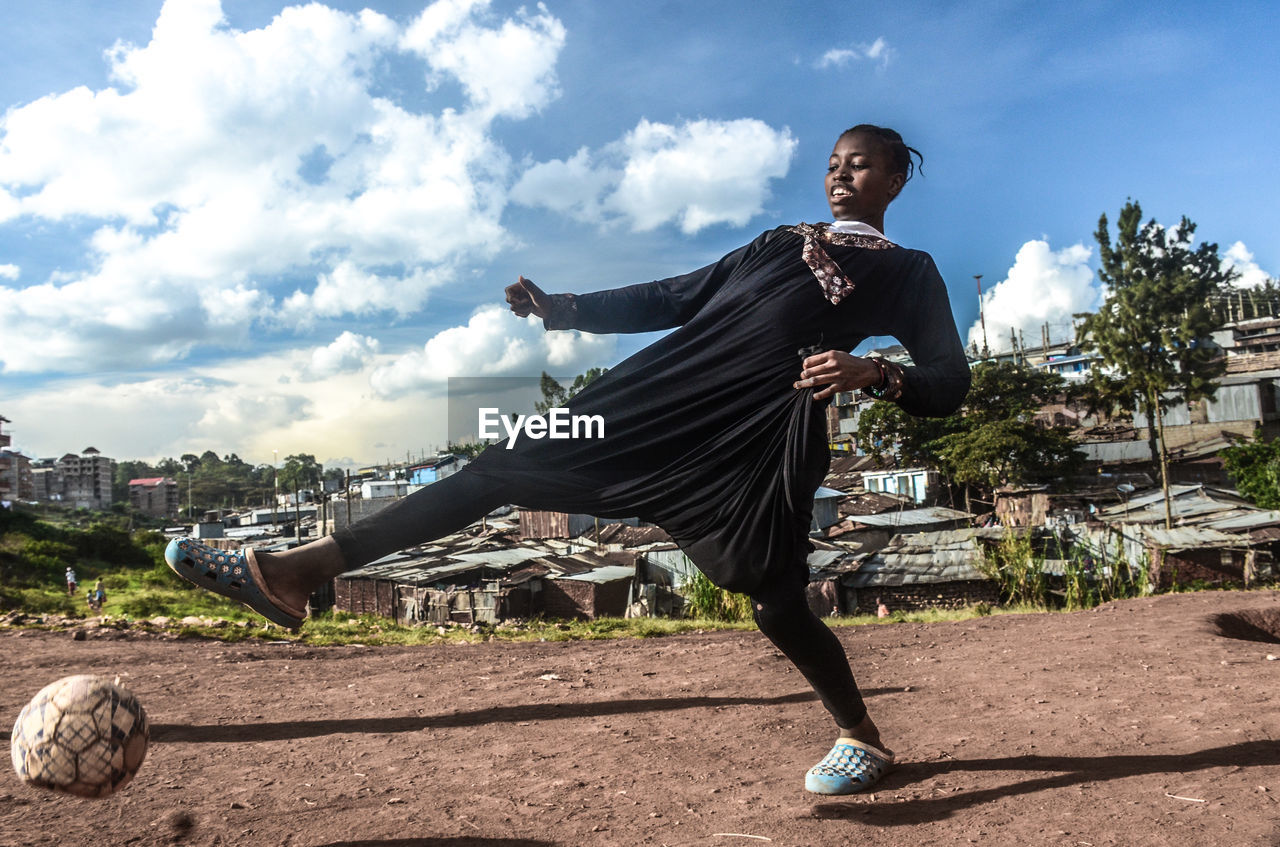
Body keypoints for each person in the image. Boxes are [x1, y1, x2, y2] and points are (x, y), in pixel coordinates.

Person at [166, 124, 971, 795]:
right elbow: (673, 296)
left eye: (858, 163)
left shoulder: (907, 271)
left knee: (772, 599)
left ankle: (860, 735)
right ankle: (299, 571)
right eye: (832, 163)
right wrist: (566, 310)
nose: (838, 174)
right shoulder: (777, 241)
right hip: (648, 402)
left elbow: (950, 381)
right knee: (499, 465)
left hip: (753, 443)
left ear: (895, 179)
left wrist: (876, 372)